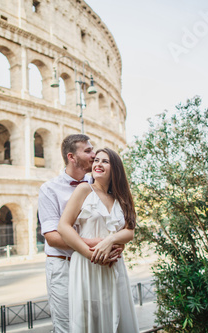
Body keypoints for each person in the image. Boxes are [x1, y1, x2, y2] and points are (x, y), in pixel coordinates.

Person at [38, 135, 121, 332]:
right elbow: (52, 237)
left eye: (93, 150)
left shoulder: (99, 183)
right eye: (88, 151)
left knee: (96, 324)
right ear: (71, 157)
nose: (94, 155)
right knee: (68, 327)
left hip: (94, 267)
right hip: (63, 266)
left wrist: (113, 244)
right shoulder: (49, 189)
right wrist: (96, 245)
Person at [58, 147, 139, 332]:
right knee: (89, 321)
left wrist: (109, 241)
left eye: (105, 161)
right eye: (96, 160)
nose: (98, 164)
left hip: (114, 266)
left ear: (115, 168)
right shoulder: (84, 189)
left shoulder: (122, 197)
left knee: (117, 317)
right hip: (87, 265)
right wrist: (90, 254)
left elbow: (129, 232)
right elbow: (63, 226)